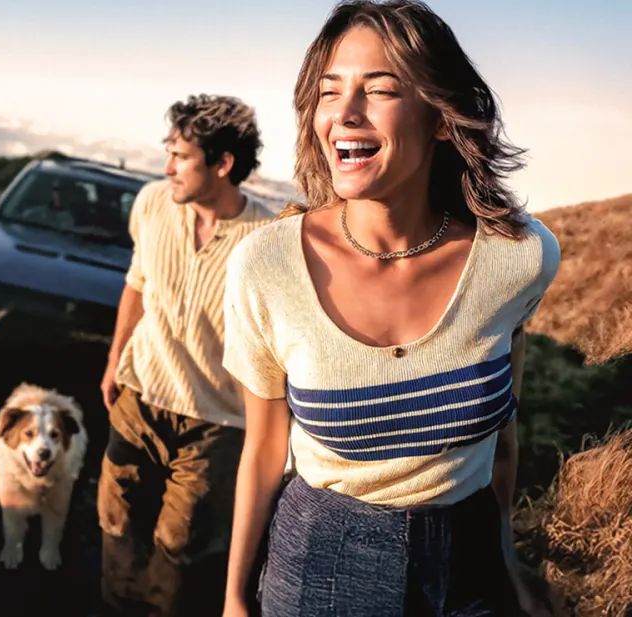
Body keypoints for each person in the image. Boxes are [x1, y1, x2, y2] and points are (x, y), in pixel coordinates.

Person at [219, 2, 560, 616]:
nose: (344, 114)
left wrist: (505, 564)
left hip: (469, 564)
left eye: (378, 89)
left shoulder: (519, 258)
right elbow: (266, 449)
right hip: (323, 567)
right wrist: (235, 598)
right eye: (329, 92)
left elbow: (501, 433)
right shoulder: (266, 267)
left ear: (439, 117)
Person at [97, 93, 279, 616]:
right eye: (168, 152)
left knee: (179, 546)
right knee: (116, 522)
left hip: (216, 425)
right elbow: (137, 284)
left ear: (222, 165)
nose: (167, 167)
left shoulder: (264, 240)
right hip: (139, 398)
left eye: (181, 156)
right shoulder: (153, 203)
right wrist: (114, 363)